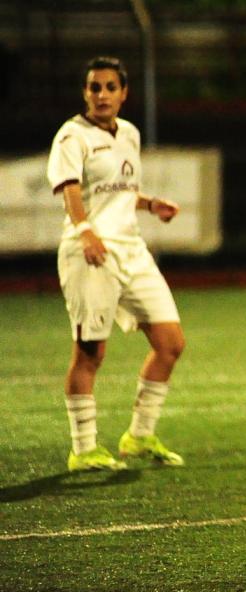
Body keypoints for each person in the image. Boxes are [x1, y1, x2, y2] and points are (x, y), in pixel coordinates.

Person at [46, 56, 186, 472]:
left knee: (171, 343)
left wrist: (150, 203)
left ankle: (139, 436)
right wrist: (85, 230)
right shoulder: (73, 135)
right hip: (90, 251)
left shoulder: (129, 133)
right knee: (91, 353)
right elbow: (71, 189)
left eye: (110, 87)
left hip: (132, 250)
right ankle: (84, 449)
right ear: (85, 93)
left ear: (124, 93)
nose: (102, 94)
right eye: (95, 87)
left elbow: (119, 191)